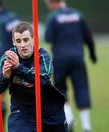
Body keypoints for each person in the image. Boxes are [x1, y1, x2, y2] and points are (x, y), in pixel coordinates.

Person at [0, 21, 68, 132]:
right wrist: (5, 76)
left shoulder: (43, 56)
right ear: (14, 42)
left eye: (26, 40)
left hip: (50, 111)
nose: (23, 45)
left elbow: (42, 80)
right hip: (22, 112)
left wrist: (18, 68)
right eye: (18, 41)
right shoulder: (8, 57)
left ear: (33, 39)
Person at [44, 0, 97, 132]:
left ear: (52, 3)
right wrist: (92, 54)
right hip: (78, 58)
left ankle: (69, 118)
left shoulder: (52, 17)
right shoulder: (78, 15)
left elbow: (48, 37)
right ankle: (86, 126)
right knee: (82, 89)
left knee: (61, 89)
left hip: (60, 59)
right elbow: (88, 37)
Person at [0, 0, 20, 123]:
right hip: (19, 58)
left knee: (1, 93)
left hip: (5, 58)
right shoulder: (13, 16)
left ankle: (2, 124)